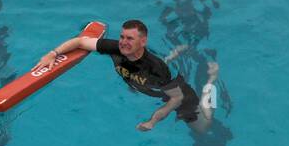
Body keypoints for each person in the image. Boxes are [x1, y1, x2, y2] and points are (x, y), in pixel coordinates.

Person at [34, 19, 218, 133]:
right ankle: (175, 55)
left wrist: (153, 121)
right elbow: (81, 41)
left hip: (178, 95)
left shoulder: (156, 68)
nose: (123, 42)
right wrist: (53, 53)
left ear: (143, 41)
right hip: (148, 85)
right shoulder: (116, 48)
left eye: (130, 39)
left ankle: (210, 82)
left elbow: (176, 98)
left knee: (203, 128)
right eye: (122, 37)